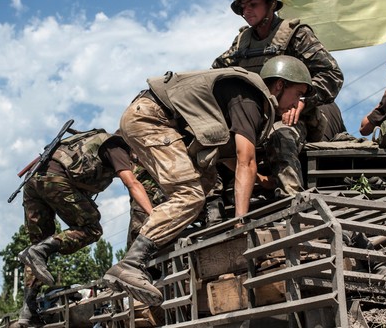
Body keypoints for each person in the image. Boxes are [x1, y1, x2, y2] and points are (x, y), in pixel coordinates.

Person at [103, 55, 311, 306]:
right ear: (279, 85)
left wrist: (259, 179)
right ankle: (133, 263)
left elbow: (229, 159)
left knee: (206, 181)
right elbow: (245, 158)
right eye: (298, 93)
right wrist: (240, 224)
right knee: (189, 195)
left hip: (148, 117)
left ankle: (153, 252)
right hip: (151, 118)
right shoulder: (250, 98)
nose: (298, 102)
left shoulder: (246, 98)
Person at [212, 0, 344, 197]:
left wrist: (303, 102)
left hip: (294, 115)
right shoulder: (242, 43)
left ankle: (292, 200)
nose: (247, 11)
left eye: (253, 4)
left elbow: (332, 74)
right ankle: (216, 205)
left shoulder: (296, 35)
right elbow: (216, 73)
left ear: (271, 4)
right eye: (243, 7)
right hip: (255, 118)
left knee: (281, 136)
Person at [16, 129, 153, 327]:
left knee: (37, 247)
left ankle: (27, 313)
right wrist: (154, 215)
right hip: (54, 180)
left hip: (33, 180)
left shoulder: (95, 142)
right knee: (91, 228)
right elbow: (131, 183)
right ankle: (40, 251)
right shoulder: (117, 148)